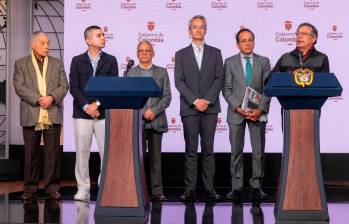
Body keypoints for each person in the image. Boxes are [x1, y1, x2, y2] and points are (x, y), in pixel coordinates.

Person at [13, 31, 69, 201]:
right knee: (31, 153)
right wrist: (38, 99)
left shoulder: (57, 63)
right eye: (43, 43)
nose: (47, 46)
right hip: (31, 112)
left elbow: (64, 86)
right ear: (33, 44)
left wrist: (51, 97)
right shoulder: (21, 63)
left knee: (52, 154)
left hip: (52, 112)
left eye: (48, 43)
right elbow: (19, 87)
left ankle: (52, 188)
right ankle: (30, 188)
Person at [174, 15, 224, 202]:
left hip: (210, 109)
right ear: (189, 31)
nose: (198, 30)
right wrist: (195, 100)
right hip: (190, 108)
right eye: (194, 27)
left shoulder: (216, 52)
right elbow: (179, 81)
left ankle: (210, 189)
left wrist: (207, 100)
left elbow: (220, 78)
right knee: (191, 150)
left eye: (201, 27)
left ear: (206, 30)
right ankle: (190, 190)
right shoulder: (180, 54)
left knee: (208, 150)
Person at [69, 25, 119, 201]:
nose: (103, 38)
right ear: (88, 40)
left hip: (103, 113)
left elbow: (112, 87)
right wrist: (86, 106)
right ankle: (83, 188)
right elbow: (73, 87)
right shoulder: (77, 60)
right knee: (82, 152)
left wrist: (96, 104)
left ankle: (104, 186)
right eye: (99, 35)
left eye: (104, 35)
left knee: (106, 152)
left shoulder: (111, 60)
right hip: (82, 114)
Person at [222, 28, 271, 205]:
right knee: (236, 151)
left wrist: (259, 110)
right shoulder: (229, 62)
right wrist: (237, 107)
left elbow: (268, 88)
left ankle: (256, 187)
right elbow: (226, 89)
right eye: (243, 40)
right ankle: (237, 188)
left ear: (254, 42)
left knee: (258, 151)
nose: (248, 43)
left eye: (250, 39)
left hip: (257, 113)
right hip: (236, 114)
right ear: (237, 44)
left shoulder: (264, 62)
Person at [126, 40, 172, 201]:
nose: (144, 53)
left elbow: (167, 96)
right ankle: (138, 191)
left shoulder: (162, 72)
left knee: (155, 159)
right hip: (138, 122)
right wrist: (144, 112)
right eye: (141, 51)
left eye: (147, 50)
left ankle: (157, 192)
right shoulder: (131, 73)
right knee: (138, 159)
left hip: (157, 121)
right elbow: (129, 97)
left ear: (152, 53)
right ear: (137, 54)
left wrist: (154, 111)